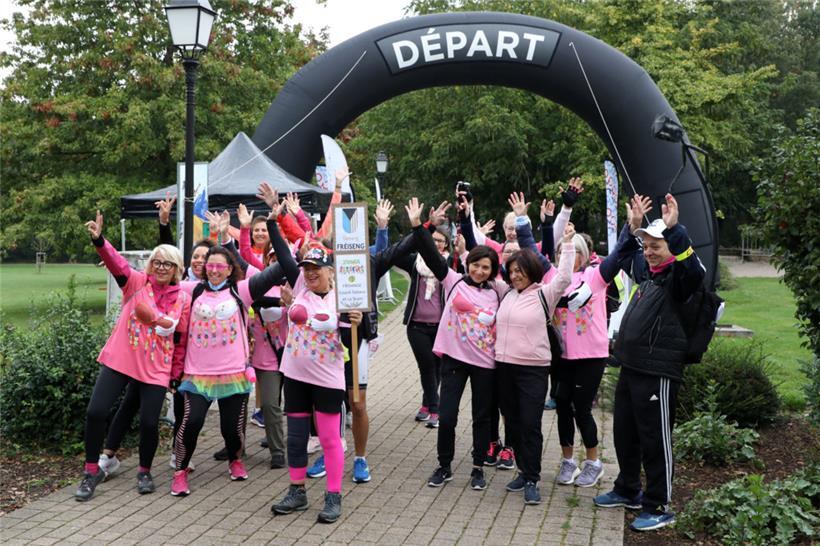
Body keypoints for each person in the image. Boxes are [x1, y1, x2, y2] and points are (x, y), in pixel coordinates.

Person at [594, 194, 705, 532]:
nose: (649, 251)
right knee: (625, 433)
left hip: (658, 371)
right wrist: (632, 228)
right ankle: (628, 488)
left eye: (656, 245)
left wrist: (675, 231)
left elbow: (693, 271)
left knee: (655, 438)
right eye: (648, 245)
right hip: (632, 365)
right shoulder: (650, 270)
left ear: (671, 247)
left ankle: (658, 504)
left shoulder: (680, 277)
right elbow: (625, 255)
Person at [75, 211, 190, 501]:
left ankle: (144, 470)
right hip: (121, 359)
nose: (161, 267)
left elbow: (180, 338)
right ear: (151, 265)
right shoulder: (136, 283)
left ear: (177, 269)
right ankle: (91, 472)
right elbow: (117, 263)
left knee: (150, 422)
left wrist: (176, 375)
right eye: (157, 262)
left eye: (168, 263)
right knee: (96, 411)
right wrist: (100, 240)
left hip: (156, 367)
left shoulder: (183, 299)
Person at [264, 204, 359, 524]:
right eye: (307, 268)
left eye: (317, 268)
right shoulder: (301, 285)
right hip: (295, 375)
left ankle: (333, 496)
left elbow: (359, 335)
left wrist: (356, 321)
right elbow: (282, 252)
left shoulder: (344, 298)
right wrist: (271, 220)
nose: (310, 272)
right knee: (296, 436)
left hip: (328, 379)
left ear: (330, 270)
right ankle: (297, 491)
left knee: (331, 439)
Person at [170, 243, 285, 497]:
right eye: (209, 266)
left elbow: (275, 272)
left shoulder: (241, 291)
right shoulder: (193, 289)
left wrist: (293, 249)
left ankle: (235, 459)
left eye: (219, 266)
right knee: (191, 423)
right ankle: (180, 472)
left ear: (230, 269)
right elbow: (160, 280)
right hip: (197, 374)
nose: (213, 270)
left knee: (231, 428)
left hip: (234, 374)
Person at [412, 197, 508, 491]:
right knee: (449, 416)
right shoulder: (453, 280)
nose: (480, 271)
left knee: (481, 417)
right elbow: (430, 254)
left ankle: (478, 466)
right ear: (468, 264)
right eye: (476, 265)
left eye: (486, 267)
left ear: (493, 270)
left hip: (485, 365)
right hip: (454, 360)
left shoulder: (499, 291)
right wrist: (419, 226)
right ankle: (444, 465)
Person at [494, 192, 576, 505]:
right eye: (512, 271)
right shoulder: (507, 294)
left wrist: (567, 244)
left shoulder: (545, 294)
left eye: (520, 271)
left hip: (532, 369)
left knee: (530, 424)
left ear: (531, 271)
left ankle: (532, 478)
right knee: (513, 424)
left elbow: (565, 275)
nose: (515, 275)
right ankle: (521, 469)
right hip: (504, 367)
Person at [394, 220, 465, 430]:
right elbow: (396, 255)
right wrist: (423, 228)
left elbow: (467, 271)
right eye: (433, 239)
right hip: (416, 326)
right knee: (426, 367)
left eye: (441, 241)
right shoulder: (416, 262)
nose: (436, 244)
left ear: (446, 244)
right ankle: (436, 410)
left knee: (437, 369)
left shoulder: (448, 266)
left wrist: (462, 252)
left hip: (442, 326)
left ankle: (427, 403)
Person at [237, 202, 288, 469]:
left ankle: (279, 449)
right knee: (246, 404)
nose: (274, 263)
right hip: (256, 353)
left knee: (276, 406)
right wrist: (243, 229)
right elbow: (243, 255)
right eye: (270, 259)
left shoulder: (297, 283)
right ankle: (236, 448)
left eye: (279, 259)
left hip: (286, 355)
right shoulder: (257, 278)